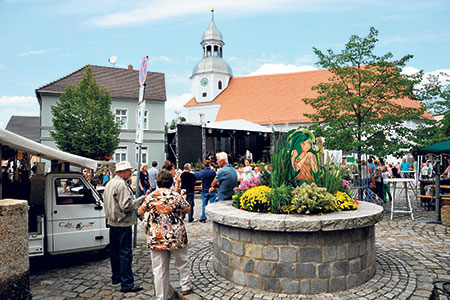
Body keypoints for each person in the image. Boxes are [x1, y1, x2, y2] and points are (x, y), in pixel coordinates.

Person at [138, 170, 192, 299]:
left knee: (159, 268)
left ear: (157, 182)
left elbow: (140, 211)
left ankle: (161, 296)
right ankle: (185, 286)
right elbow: (187, 209)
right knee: (182, 262)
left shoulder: (151, 196)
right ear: (171, 182)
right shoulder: (175, 196)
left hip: (157, 236)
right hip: (176, 235)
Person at [103, 161, 146, 293]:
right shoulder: (121, 185)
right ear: (121, 171)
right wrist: (141, 199)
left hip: (112, 222)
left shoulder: (110, 183)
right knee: (125, 253)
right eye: (128, 170)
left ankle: (116, 277)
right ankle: (126, 283)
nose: (130, 172)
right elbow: (126, 206)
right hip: (122, 223)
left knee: (115, 252)